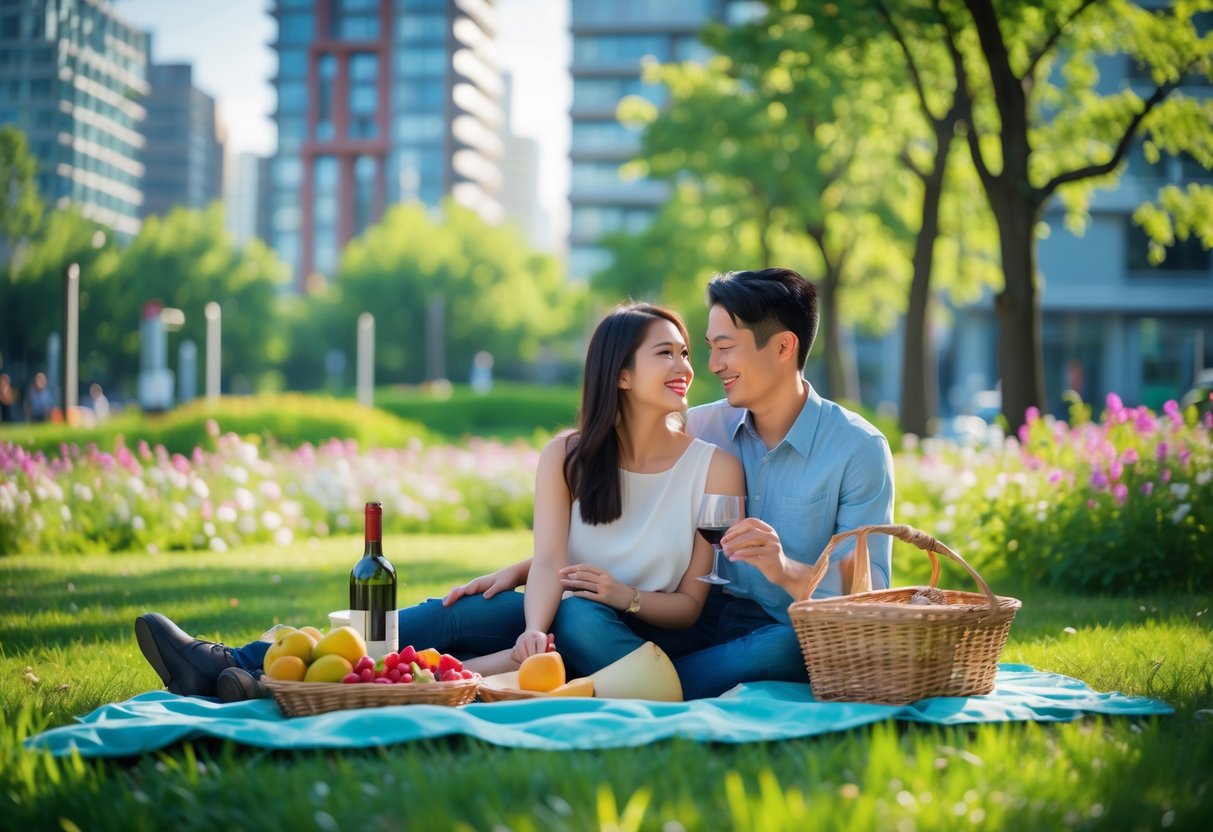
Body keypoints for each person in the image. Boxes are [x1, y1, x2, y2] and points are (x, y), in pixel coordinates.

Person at [133, 303, 744, 701]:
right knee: (439, 616)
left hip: (629, 635)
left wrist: (621, 595)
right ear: (620, 375)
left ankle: (380, 686)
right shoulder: (568, 455)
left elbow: (692, 608)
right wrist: (533, 628)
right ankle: (236, 665)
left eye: (686, 353)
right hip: (560, 609)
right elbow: (554, 562)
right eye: (668, 352)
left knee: (578, 615)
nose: (686, 366)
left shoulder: (716, 467)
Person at [436, 268, 894, 698]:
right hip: (672, 618)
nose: (710, 365)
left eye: (725, 347)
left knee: (793, 648)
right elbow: (641, 510)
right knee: (490, 615)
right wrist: (528, 567)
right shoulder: (697, 425)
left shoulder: (857, 450)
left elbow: (869, 594)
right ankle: (628, 680)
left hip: (772, 626)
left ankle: (629, 682)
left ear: (782, 347)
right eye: (707, 348)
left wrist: (785, 569)